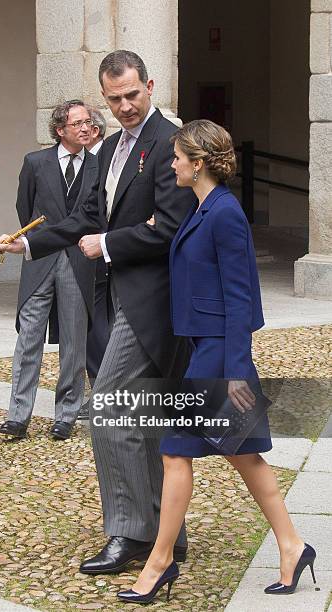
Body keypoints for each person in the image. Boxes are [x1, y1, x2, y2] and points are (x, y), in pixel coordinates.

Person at [0, 50, 195, 573]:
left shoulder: (170, 142)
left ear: (150, 86)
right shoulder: (106, 151)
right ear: (104, 96)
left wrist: (106, 243)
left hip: (154, 302)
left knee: (108, 405)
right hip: (115, 296)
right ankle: (165, 528)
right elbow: (83, 216)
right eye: (115, 98)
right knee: (141, 413)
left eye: (133, 95)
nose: (125, 106)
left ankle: (128, 534)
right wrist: (25, 244)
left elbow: (168, 228)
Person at [117, 119, 316, 604]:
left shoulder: (224, 213)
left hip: (218, 358)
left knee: (175, 451)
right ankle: (293, 546)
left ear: (198, 162)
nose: (173, 164)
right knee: (245, 456)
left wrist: (230, 376)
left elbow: (242, 299)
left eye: (178, 157)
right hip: (202, 349)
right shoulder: (202, 207)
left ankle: (160, 563)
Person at [0, 100, 98, 441]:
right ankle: (17, 416)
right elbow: (26, 208)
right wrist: (38, 244)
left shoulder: (99, 164)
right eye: (77, 123)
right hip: (40, 260)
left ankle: (66, 415)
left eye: (88, 123)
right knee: (28, 338)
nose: (85, 128)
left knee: (74, 342)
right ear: (60, 129)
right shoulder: (35, 163)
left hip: (79, 262)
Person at [77, 107, 111, 420]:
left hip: (105, 256)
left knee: (98, 327)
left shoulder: (103, 159)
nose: (80, 130)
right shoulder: (88, 160)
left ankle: (104, 393)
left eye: (85, 124)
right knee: (94, 326)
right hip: (87, 253)